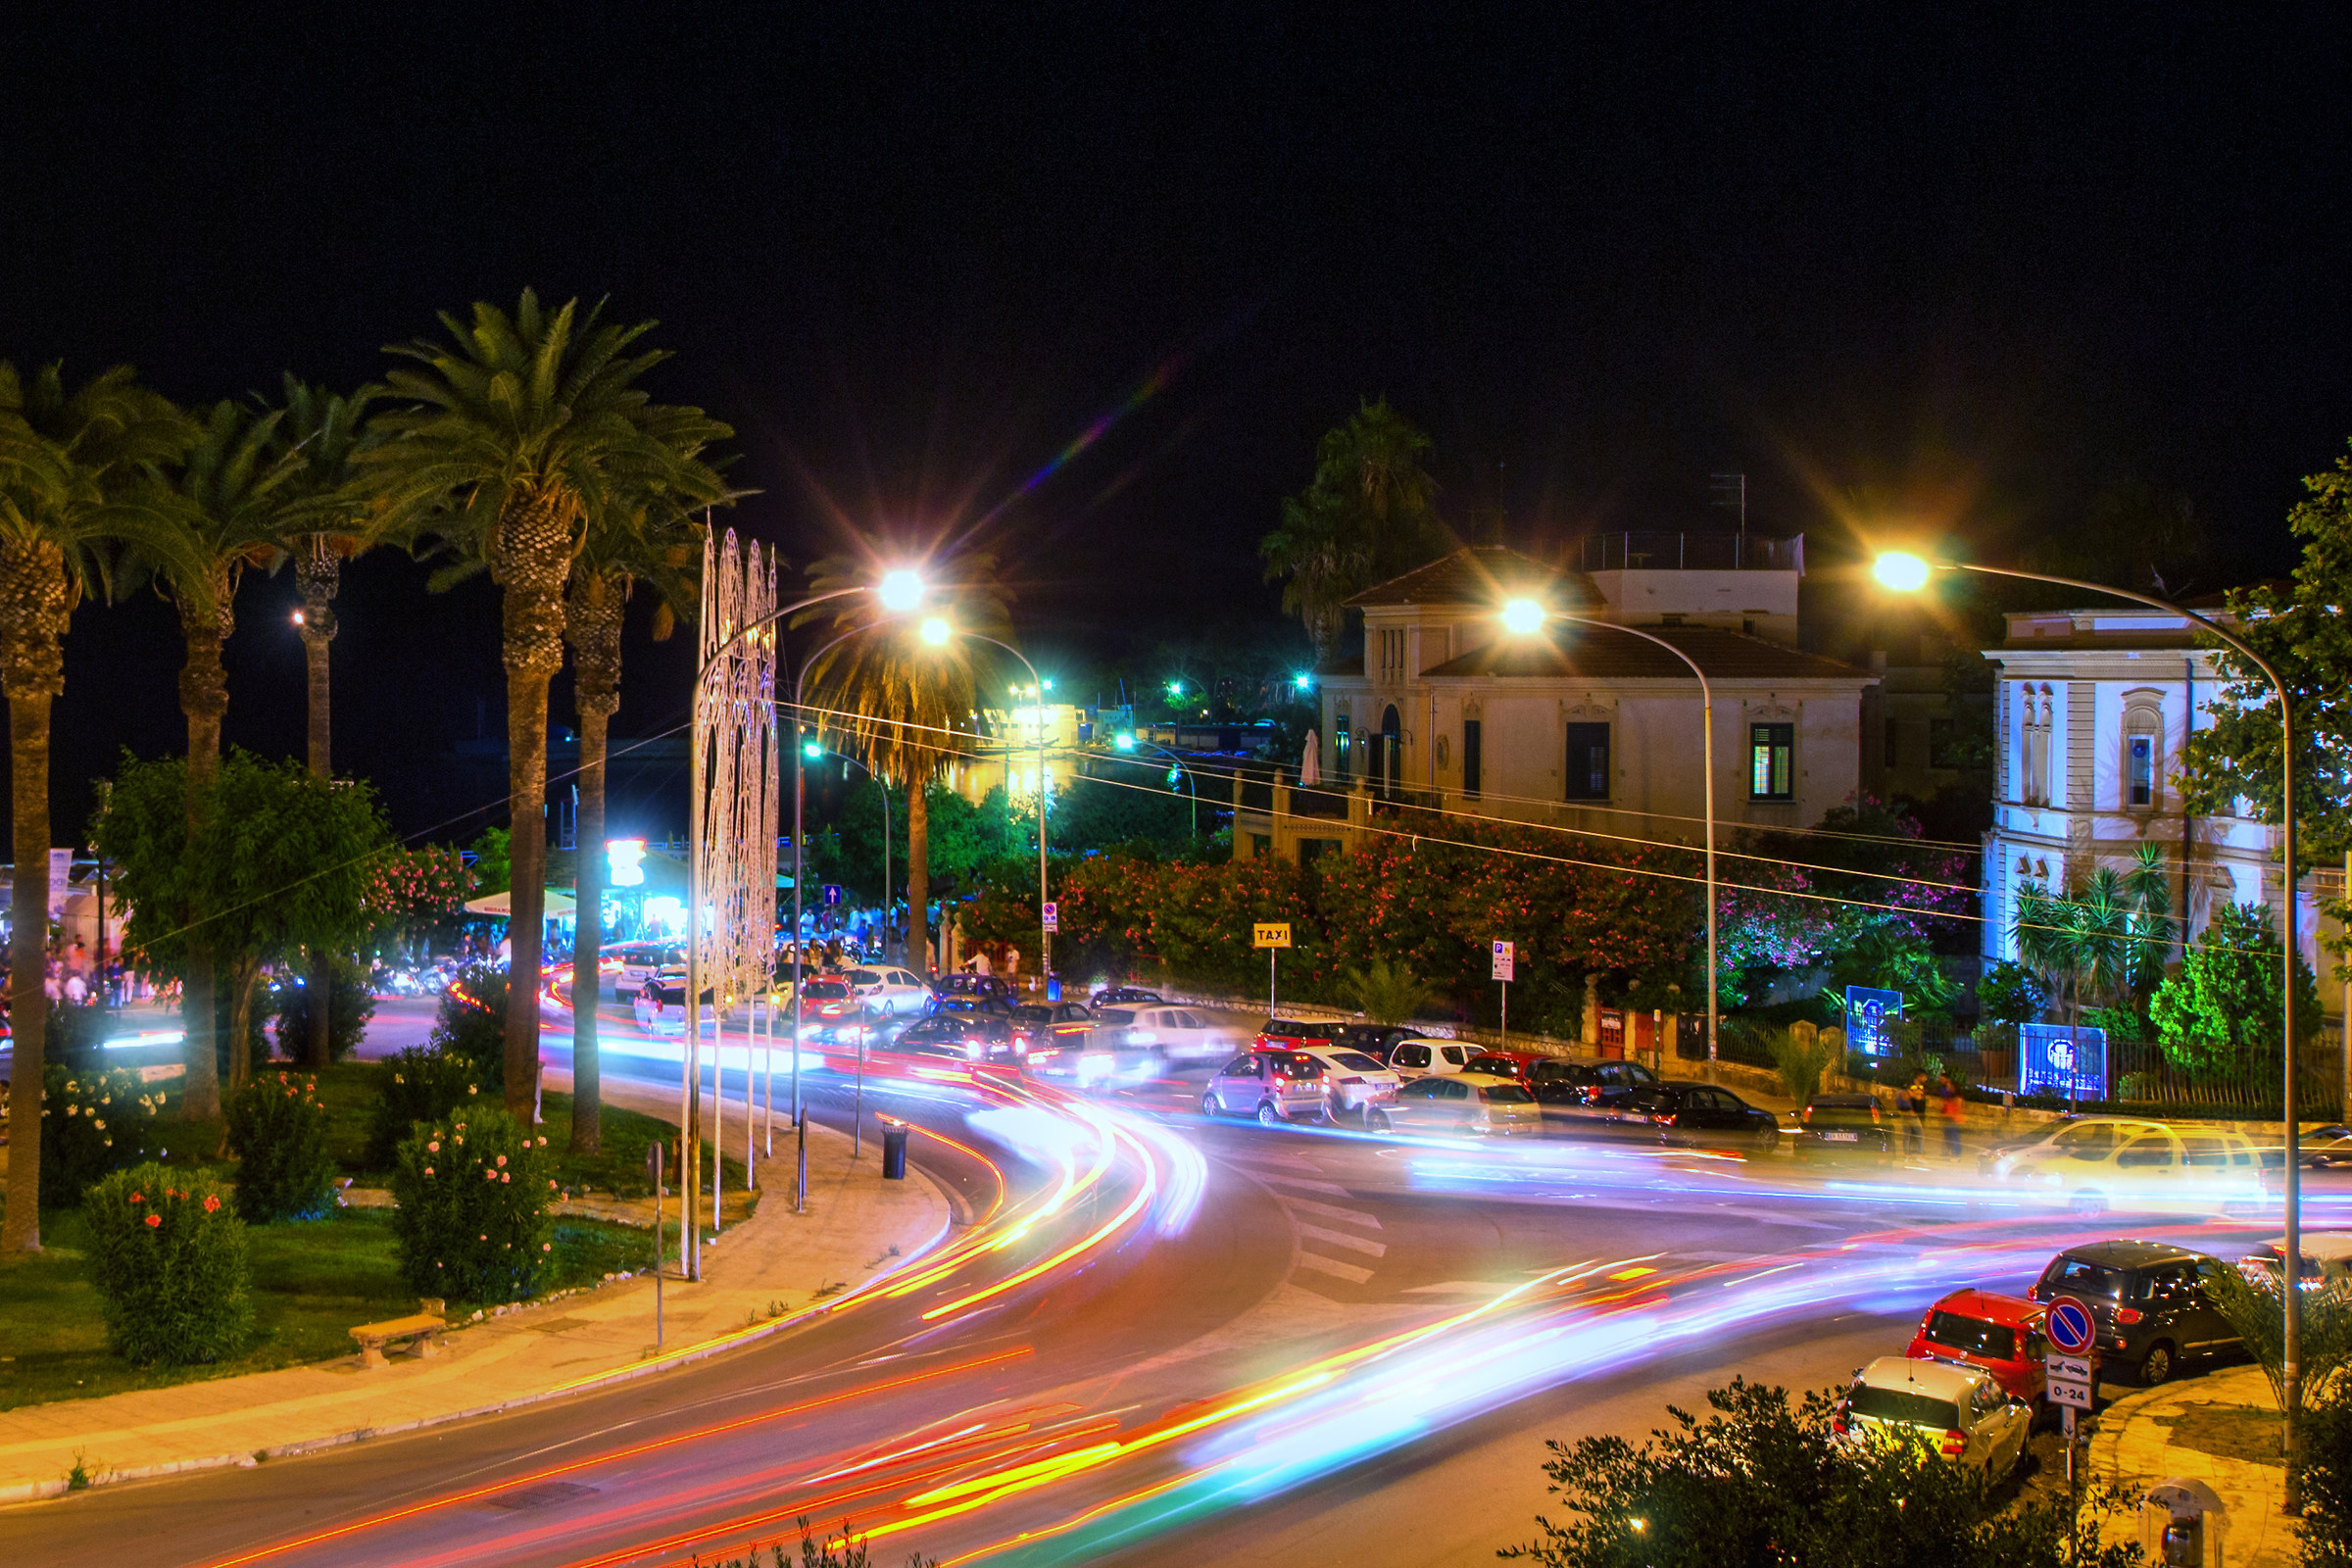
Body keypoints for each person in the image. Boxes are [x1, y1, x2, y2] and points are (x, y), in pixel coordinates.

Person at [1937, 1074, 1965, 1158]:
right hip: (1947, 1119)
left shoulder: (1957, 1098)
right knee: (1948, 1137)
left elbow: (1958, 1109)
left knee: (1954, 1137)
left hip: (1953, 1120)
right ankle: (1950, 1152)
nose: (1947, 1088)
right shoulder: (1948, 1097)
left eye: (1949, 1086)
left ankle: (1956, 1155)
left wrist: (1949, 1115)